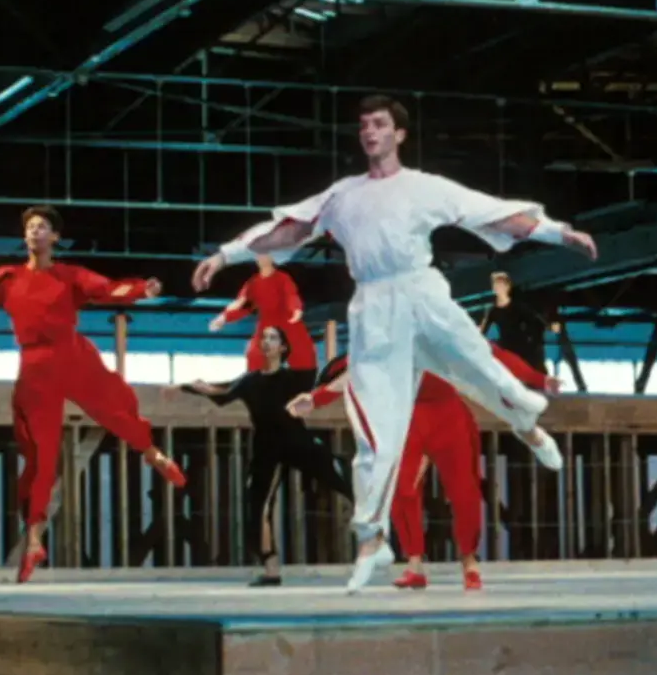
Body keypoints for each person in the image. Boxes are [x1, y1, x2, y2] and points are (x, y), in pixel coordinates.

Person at [192, 94, 597, 593]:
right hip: (374, 308)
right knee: (375, 429)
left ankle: (530, 429)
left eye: (380, 125)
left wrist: (558, 233)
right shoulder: (343, 195)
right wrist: (228, 254)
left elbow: (492, 215)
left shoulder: (423, 187)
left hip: (421, 294)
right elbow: (287, 229)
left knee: (485, 371)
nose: (370, 132)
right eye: (364, 126)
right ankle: (371, 539)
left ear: (399, 134)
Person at [0, 205, 186, 584]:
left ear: (54, 237)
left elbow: (107, 290)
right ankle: (35, 538)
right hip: (36, 366)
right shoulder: (7, 279)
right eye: (30, 227)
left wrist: (142, 289)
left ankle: (152, 453)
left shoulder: (69, 275)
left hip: (71, 354)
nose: (34, 232)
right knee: (39, 453)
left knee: (115, 407)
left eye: (42, 227)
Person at [294, 343, 557, 591]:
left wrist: (540, 380)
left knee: (464, 491)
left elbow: (494, 356)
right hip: (408, 420)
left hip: (448, 417)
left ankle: (469, 562)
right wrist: (316, 400)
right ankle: (415, 564)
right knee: (402, 490)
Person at [182, 326, 348, 587]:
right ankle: (271, 570)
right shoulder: (250, 381)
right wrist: (188, 387)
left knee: (341, 482)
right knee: (257, 507)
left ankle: (381, 531)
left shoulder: (296, 377)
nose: (267, 341)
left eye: (273, 338)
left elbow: (327, 378)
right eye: (264, 338)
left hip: (296, 441)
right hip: (266, 447)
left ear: (282, 348)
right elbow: (221, 395)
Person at [211, 253, 317, 372]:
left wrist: (296, 309)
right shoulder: (253, 282)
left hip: (288, 321)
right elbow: (244, 304)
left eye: (265, 255)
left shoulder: (283, 278)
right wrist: (224, 317)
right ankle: (256, 383)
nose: (261, 259)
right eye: (259, 255)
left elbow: (291, 295)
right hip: (267, 323)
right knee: (255, 355)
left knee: (303, 355)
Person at [478, 271, 552, 373]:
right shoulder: (492, 310)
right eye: (496, 285)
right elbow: (483, 329)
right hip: (506, 345)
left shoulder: (517, 306)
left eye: (501, 285)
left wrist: (545, 328)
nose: (498, 288)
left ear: (507, 287)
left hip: (522, 344)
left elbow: (534, 319)